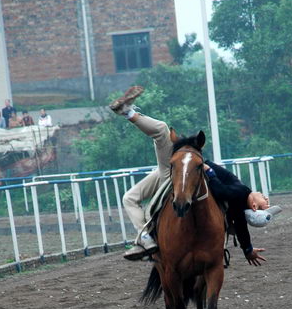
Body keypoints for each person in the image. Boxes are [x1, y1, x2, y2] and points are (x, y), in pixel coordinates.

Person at [110, 86, 277, 263]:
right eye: (267, 201)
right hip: (178, 170)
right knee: (129, 198)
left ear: (253, 206)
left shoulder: (240, 193)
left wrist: (207, 169)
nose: (266, 199)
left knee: (161, 130)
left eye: (264, 204)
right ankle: (145, 237)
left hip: (180, 173)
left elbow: (227, 203)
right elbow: (241, 227)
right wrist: (248, 249)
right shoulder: (239, 197)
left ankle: (127, 112)